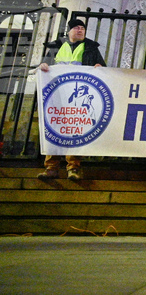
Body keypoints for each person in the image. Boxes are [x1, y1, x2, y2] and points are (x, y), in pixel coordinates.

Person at [37, 18, 106, 181]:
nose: (80, 30)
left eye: (82, 28)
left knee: (76, 129)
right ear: (69, 31)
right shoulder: (57, 46)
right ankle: (51, 167)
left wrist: (99, 67)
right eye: (76, 28)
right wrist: (43, 66)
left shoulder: (91, 47)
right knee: (54, 128)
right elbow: (44, 65)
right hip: (57, 95)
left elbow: (102, 66)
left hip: (78, 97)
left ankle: (73, 167)